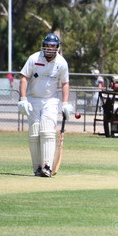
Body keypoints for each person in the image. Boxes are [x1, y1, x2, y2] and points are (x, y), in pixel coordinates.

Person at [18, 33, 73, 177]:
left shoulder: (61, 62)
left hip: (50, 100)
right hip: (33, 99)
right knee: (35, 132)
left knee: (47, 130)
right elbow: (24, 78)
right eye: (47, 45)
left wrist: (65, 103)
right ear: (44, 46)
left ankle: (47, 166)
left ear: (57, 47)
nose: (49, 48)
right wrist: (23, 99)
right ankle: (37, 167)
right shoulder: (34, 58)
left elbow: (65, 83)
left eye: (52, 46)